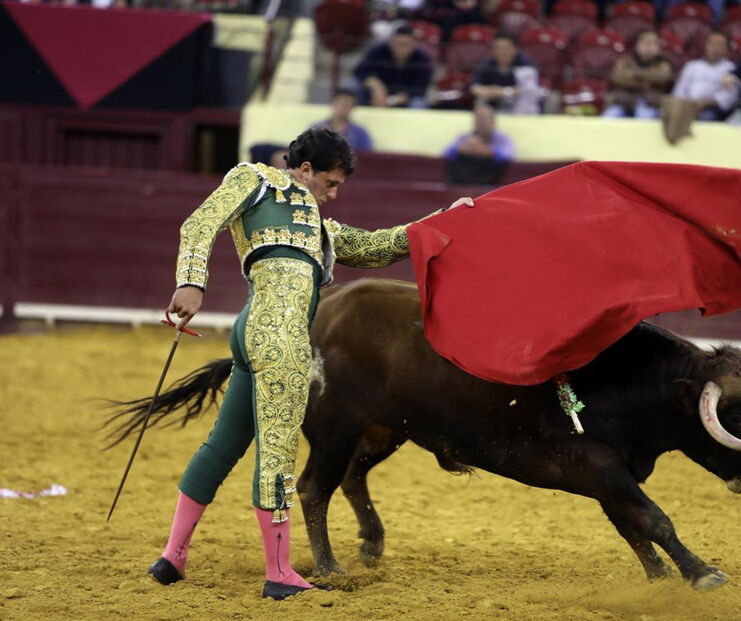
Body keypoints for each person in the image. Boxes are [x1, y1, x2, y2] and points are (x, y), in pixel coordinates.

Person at [149, 127, 472, 600]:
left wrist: (443, 220)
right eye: (331, 182)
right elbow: (199, 224)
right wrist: (191, 281)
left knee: (223, 446)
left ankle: (173, 557)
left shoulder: (322, 229)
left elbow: (379, 247)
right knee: (276, 454)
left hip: (255, 328)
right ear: (304, 170)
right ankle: (278, 573)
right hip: (278, 332)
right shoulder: (253, 178)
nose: (334, 194)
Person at [353, 25, 433, 108]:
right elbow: (360, 71)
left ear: (414, 44)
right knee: (353, 86)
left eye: (408, 44)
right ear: (391, 42)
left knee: (419, 103)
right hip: (378, 92)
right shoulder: (379, 51)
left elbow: (420, 89)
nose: (403, 49)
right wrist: (375, 85)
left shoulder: (422, 58)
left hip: (406, 97)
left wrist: (393, 100)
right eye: (400, 44)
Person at [603, 29, 674, 119]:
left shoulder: (664, 63)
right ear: (637, 45)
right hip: (625, 101)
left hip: (651, 104)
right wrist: (646, 80)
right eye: (645, 42)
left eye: (653, 43)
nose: (649, 46)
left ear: (658, 47)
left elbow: (662, 77)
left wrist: (634, 73)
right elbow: (617, 77)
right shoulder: (626, 60)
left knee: (645, 115)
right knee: (610, 115)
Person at [670, 30, 738, 121]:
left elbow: (729, 95)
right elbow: (680, 90)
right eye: (711, 44)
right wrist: (687, 105)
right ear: (706, 46)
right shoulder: (691, 66)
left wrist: (705, 103)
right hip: (688, 106)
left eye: (719, 45)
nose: (714, 47)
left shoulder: (731, 69)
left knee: (707, 117)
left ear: (726, 49)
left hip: (712, 109)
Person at [471, 31, 544, 115]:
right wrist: (489, 91)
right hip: (494, 105)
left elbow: (528, 90)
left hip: (520, 108)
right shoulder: (487, 64)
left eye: (505, 48)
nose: (502, 52)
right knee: (480, 101)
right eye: (498, 48)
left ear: (515, 49)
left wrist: (504, 92)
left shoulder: (525, 64)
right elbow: (474, 87)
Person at [443, 104, 515, 184]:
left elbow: (509, 155)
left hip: (491, 180)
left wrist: (487, 150)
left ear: (493, 121)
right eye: (478, 119)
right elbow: (447, 152)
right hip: (463, 178)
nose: (480, 122)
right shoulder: (464, 137)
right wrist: (464, 148)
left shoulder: (501, 138)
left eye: (484, 119)